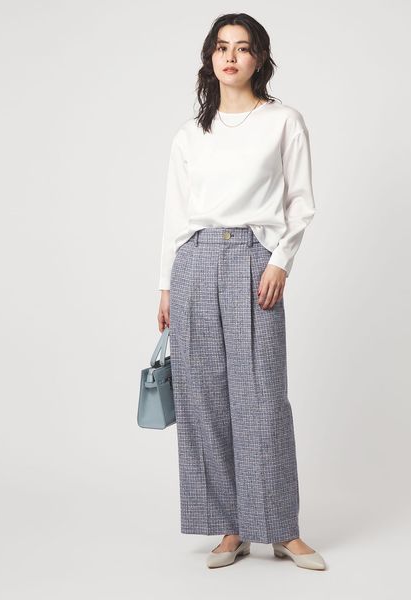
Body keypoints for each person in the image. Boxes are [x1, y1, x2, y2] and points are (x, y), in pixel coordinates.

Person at [157, 13, 326, 571]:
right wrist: (165, 285)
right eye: (222, 47)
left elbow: (300, 202)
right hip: (194, 261)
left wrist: (280, 261)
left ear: (259, 59)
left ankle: (281, 529)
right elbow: (174, 216)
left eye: (243, 47)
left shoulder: (282, 121)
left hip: (254, 257)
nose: (231, 57)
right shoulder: (190, 134)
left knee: (262, 399)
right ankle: (231, 527)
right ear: (210, 57)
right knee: (203, 399)